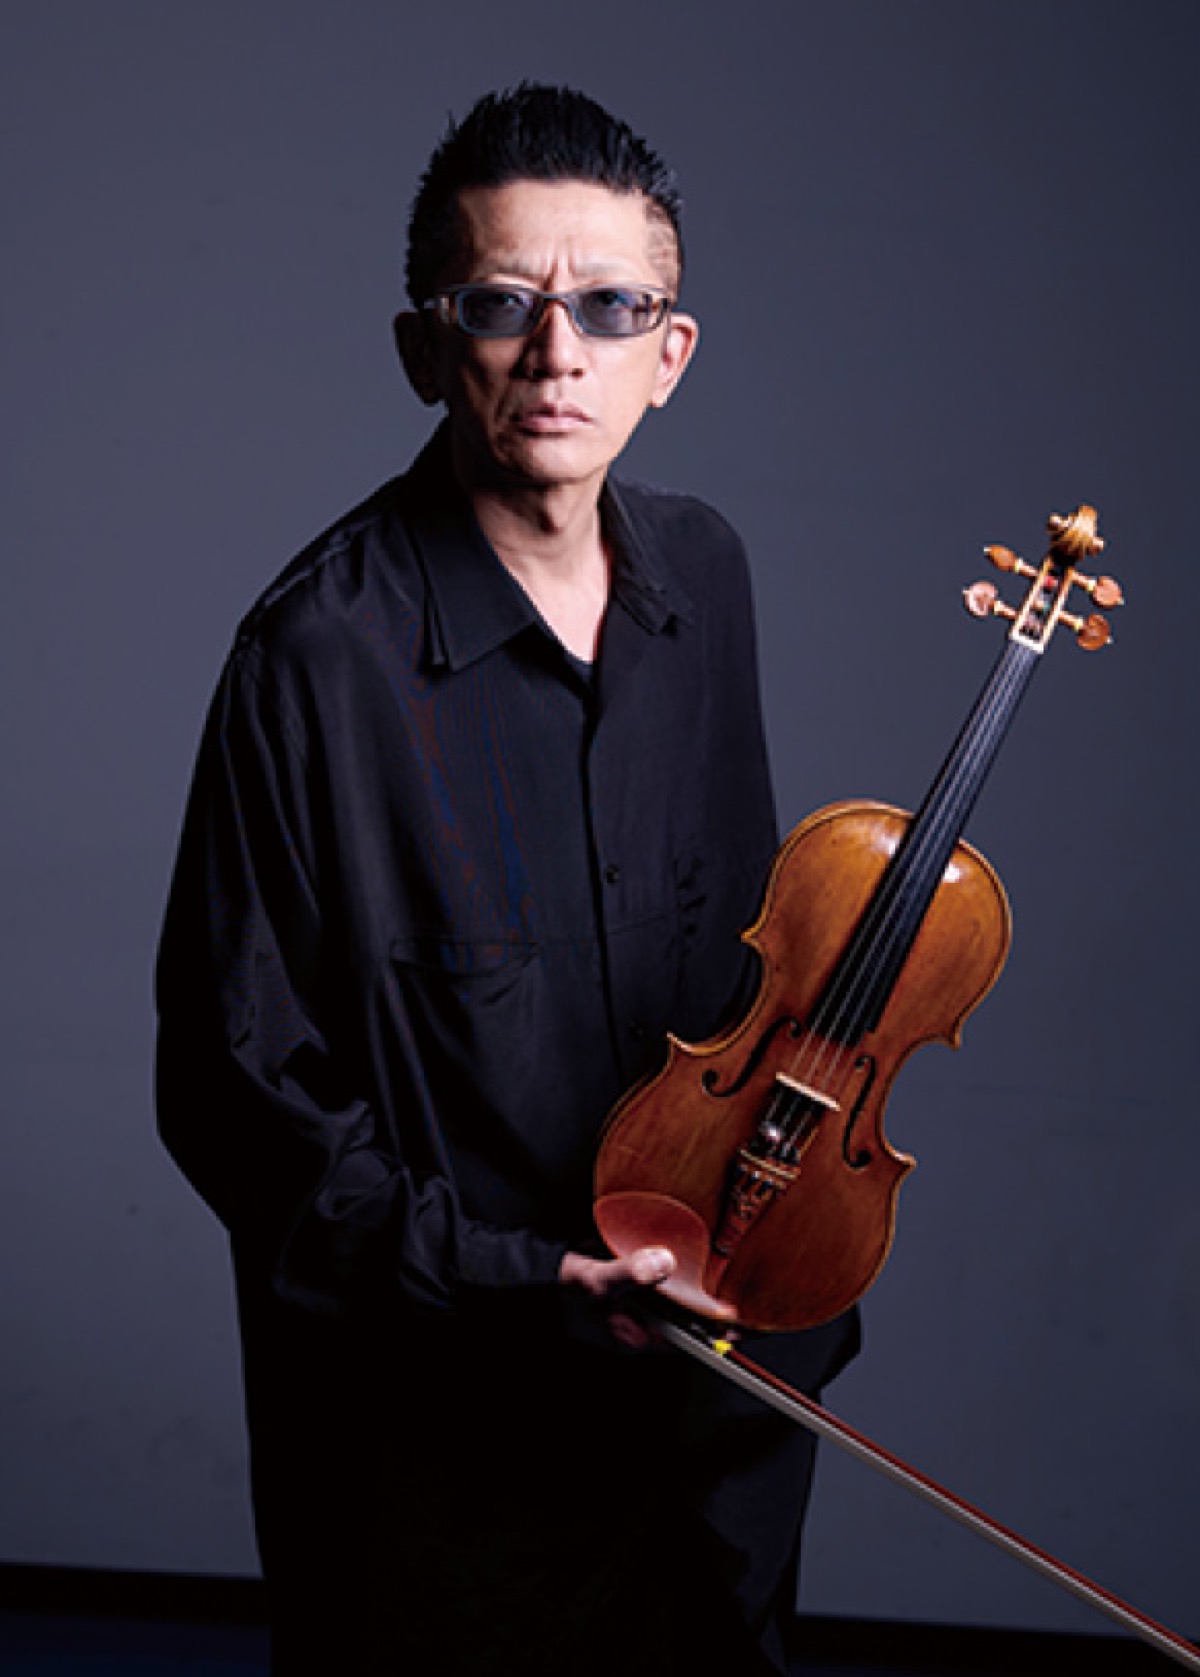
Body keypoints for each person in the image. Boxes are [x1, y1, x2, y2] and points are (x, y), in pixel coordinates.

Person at [156, 83, 858, 1676]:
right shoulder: (313, 656)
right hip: (442, 1453)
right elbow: (233, 1094)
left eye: (611, 308)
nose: (558, 355)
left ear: (670, 354)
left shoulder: (709, 580)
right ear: (426, 349)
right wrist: (525, 1279)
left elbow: (745, 991)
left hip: (708, 1409)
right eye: (499, 306)